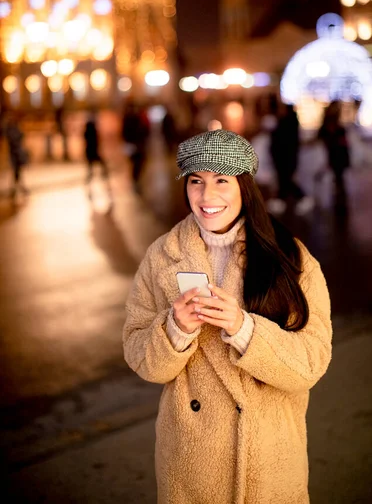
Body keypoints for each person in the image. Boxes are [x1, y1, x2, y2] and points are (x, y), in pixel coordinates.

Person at [123, 128, 332, 503]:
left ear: (245, 186)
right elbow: (141, 358)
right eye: (196, 181)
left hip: (270, 464)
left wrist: (244, 329)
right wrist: (176, 330)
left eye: (222, 179)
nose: (207, 196)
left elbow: (312, 363)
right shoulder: (162, 256)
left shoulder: (291, 258)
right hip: (191, 465)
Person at [268, 103, 314, 215]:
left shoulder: (286, 123)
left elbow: (284, 142)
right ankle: (280, 201)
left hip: (285, 158)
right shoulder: (287, 123)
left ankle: (301, 198)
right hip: (284, 157)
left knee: (286, 179)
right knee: (284, 180)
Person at [83, 111, 112, 205]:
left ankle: (93, 180)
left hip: (90, 152)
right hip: (93, 152)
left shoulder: (87, 130)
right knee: (96, 168)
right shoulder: (91, 130)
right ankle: (104, 179)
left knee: (92, 169)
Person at [121, 99, 150, 192]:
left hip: (135, 143)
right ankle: (135, 179)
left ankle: (135, 178)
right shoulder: (131, 118)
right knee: (137, 162)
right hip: (135, 143)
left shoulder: (131, 117)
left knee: (136, 162)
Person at [3, 110, 30, 199]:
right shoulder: (9, 128)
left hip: (17, 153)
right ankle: (19, 189)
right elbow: (15, 138)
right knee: (16, 172)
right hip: (14, 153)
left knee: (17, 172)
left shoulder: (14, 127)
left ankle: (15, 189)